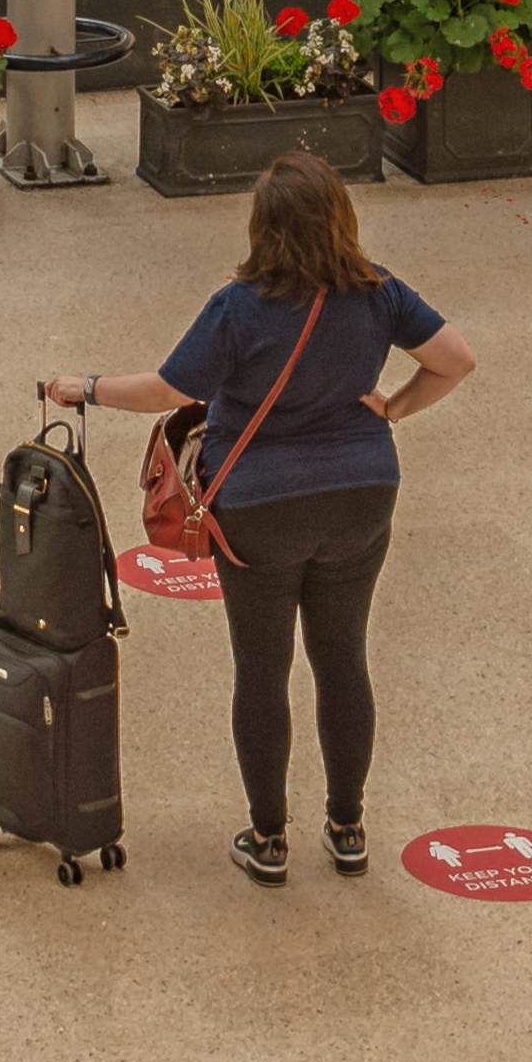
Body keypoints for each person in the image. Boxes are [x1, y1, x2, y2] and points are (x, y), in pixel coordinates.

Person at [49, 152, 476, 885]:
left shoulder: (239, 307)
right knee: (343, 658)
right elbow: (456, 359)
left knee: (262, 667)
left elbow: (164, 391)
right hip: (363, 494)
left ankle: (269, 839)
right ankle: (347, 828)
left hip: (259, 506)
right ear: (342, 218)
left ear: (263, 228)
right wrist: (394, 406)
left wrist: (81, 386)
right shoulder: (378, 293)